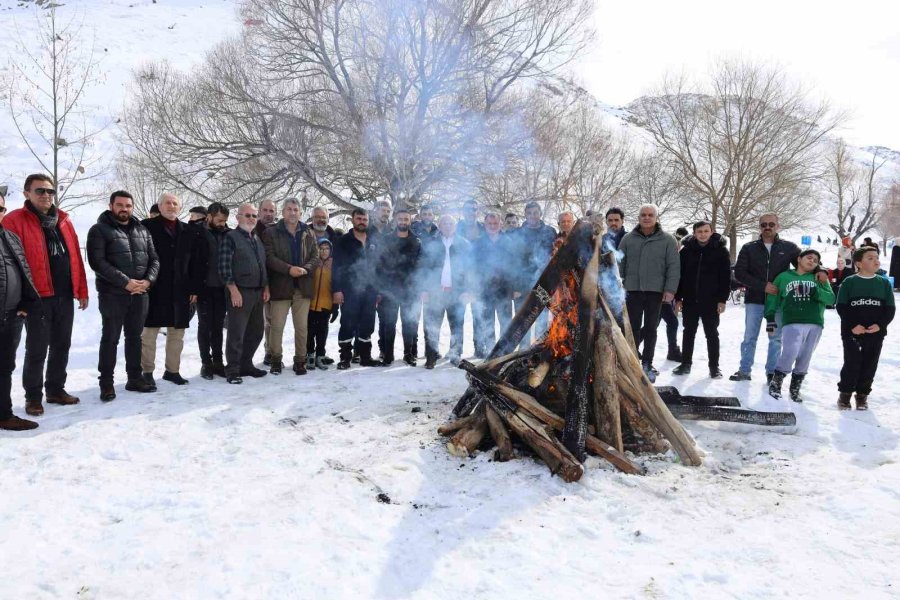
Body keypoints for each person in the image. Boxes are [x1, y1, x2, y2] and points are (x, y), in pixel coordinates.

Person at [3, 174, 88, 416]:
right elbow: (10, 262)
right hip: (36, 298)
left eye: (50, 191)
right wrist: (19, 298)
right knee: (37, 348)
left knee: (62, 345)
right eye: (40, 191)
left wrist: (81, 289)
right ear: (26, 193)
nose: (46, 195)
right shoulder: (14, 221)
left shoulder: (63, 220)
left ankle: (55, 389)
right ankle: (33, 397)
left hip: (64, 295)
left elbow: (75, 259)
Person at [87, 191, 160, 400]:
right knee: (110, 338)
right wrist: (125, 283)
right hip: (113, 295)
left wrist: (148, 281)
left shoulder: (143, 230)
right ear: (111, 206)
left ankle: (134, 378)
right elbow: (97, 262)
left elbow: (154, 259)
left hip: (140, 294)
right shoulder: (99, 230)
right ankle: (106, 384)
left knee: (134, 338)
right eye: (119, 205)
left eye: (128, 205)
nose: (124, 209)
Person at [731, 213, 817, 382]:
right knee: (749, 337)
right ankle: (744, 370)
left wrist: (819, 270)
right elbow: (740, 273)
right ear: (759, 227)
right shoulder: (749, 248)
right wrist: (763, 286)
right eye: (764, 225)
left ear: (778, 226)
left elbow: (805, 262)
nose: (767, 227)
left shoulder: (789, 248)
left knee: (776, 339)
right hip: (755, 300)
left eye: (771, 224)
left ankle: (772, 372)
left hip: (778, 302)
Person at [618, 204, 680, 381]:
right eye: (643, 215)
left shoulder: (668, 240)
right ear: (639, 217)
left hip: (656, 291)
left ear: (656, 217)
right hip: (633, 290)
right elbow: (620, 264)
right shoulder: (628, 239)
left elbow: (673, 267)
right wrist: (619, 284)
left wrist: (670, 290)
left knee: (651, 328)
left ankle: (647, 363)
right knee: (632, 328)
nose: (646, 218)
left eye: (650, 215)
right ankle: (631, 362)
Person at [140, 193, 195, 389]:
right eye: (167, 203)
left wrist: (194, 288)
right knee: (149, 333)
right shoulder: (146, 226)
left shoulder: (187, 230)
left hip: (181, 289)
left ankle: (172, 371)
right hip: (154, 288)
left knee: (177, 334)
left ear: (179, 208)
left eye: (175, 203)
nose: (171, 206)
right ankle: (146, 372)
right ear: (160, 206)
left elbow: (194, 262)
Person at [765, 249, 835, 401]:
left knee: (806, 355)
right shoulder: (784, 277)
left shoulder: (819, 277)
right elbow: (772, 299)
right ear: (799, 259)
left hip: (815, 322)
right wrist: (770, 319)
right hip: (792, 321)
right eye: (809, 258)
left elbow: (830, 299)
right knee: (790, 352)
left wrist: (816, 290)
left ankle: (795, 388)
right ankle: (776, 383)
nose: (812, 261)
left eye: (816, 261)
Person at [262, 198, 321, 375]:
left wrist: (304, 269)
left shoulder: (308, 232)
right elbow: (269, 257)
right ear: (283, 212)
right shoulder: (271, 232)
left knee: (301, 327)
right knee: (277, 326)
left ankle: (300, 360)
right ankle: (275, 359)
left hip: (302, 287)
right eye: (289, 209)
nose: (292, 212)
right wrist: (289, 269)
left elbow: (315, 256)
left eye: (296, 209)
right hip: (280, 286)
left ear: (301, 213)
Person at [0, 192, 42, 431]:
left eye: (0, 209)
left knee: (5, 368)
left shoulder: (11, 238)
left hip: (12, 316)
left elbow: (25, 271)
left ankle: (4, 414)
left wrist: (26, 305)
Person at [835, 247, 895, 410]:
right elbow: (841, 307)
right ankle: (845, 394)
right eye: (870, 258)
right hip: (852, 332)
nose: (876, 260)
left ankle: (862, 395)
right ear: (859, 263)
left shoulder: (883, 283)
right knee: (852, 363)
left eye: (877, 257)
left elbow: (890, 309)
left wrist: (880, 325)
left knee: (870, 364)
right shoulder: (850, 282)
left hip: (875, 333)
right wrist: (853, 325)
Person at [219, 203, 270, 384]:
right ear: (238, 217)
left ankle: (246, 364)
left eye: (253, 216)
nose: (251, 219)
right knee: (236, 333)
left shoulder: (256, 239)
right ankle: (232, 369)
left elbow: (262, 265)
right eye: (247, 215)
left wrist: (266, 287)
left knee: (256, 332)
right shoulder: (231, 238)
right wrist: (233, 290)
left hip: (258, 292)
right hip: (240, 292)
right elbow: (224, 267)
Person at [673, 222, 731, 378]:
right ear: (694, 232)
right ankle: (686, 364)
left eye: (706, 231)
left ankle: (714, 367)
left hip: (711, 301)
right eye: (700, 231)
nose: (703, 234)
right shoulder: (686, 251)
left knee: (712, 333)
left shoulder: (721, 251)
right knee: (688, 332)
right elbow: (680, 276)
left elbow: (725, 277)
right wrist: (678, 298)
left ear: (712, 232)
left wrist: (722, 300)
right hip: (690, 299)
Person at [332, 208, 381, 369]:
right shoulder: (344, 241)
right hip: (350, 290)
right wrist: (337, 290)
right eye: (359, 219)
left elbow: (380, 267)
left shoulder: (375, 240)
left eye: (364, 219)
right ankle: (345, 358)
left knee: (368, 324)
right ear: (352, 220)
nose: (362, 222)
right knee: (348, 323)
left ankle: (365, 357)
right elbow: (336, 266)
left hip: (371, 290)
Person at [421, 215, 472, 368]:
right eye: (444, 223)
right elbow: (423, 267)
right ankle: (431, 356)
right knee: (431, 325)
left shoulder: (464, 244)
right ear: (439, 226)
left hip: (457, 293)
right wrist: (423, 289)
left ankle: (455, 355)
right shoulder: (431, 243)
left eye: (451, 223)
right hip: (435, 292)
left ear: (455, 226)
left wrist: (467, 290)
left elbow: (470, 270)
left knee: (457, 325)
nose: (448, 226)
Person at [375, 208, 423, 366]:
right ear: (395, 220)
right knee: (389, 323)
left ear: (410, 221)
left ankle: (409, 354)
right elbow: (379, 266)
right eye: (400, 219)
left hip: (410, 290)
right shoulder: (386, 240)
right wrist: (380, 289)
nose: (403, 222)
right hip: (390, 289)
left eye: (406, 219)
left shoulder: (416, 241)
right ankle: (387, 354)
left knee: (409, 323)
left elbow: (421, 267)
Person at [191, 202, 230, 380]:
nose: (222, 223)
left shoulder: (229, 234)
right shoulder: (197, 233)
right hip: (203, 288)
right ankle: (206, 363)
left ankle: (218, 362)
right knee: (205, 326)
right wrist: (192, 288)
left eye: (224, 220)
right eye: (219, 220)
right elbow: (189, 262)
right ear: (209, 216)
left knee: (218, 326)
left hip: (222, 288)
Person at [510, 201, 556, 348]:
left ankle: (537, 353)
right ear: (525, 214)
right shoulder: (517, 233)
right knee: (523, 322)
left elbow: (554, 256)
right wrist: (515, 287)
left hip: (543, 283)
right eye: (529, 213)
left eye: (535, 212)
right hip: (522, 285)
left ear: (540, 214)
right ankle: (522, 355)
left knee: (541, 320)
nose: (532, 216)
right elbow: (513, 263)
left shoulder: (550, 232)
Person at [472, 211, 513, 357]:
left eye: (495, 223)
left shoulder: (508, 242)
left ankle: (506, 352)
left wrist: (514, 288)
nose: (493, 226)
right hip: (485, 291)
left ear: (500, 224)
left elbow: (514, 267)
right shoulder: (478, 243)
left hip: (504, 290)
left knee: (506, 323)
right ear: (485, 225)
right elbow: (473, 268)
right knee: (487, 323)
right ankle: (491, 351)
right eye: (489, 223)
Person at [307, 239, 337, 370]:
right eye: (321, 248)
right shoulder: (312, 263)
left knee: (322, 332)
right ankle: (309, 354)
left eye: (326, 249)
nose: (324, 251)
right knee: (309, 331)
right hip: (311, 303)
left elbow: (337, 286)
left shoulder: (335, 265)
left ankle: (320, 354)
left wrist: (336, 306)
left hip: (326, 303)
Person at [255, 199, 278, 365]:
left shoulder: (279, 230)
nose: (268, 214)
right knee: (258, 322)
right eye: (265, 210)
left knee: (272, 321)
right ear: (259, 211)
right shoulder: (251, 230)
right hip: (255, 282)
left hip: (277, 282)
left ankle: (270, 351)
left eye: (271, 211)